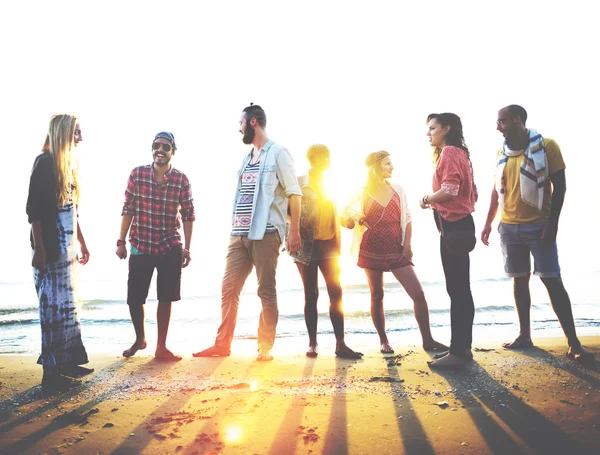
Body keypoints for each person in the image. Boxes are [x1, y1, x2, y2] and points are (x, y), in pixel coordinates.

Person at [481, 105, 592, 362]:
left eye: (502, 121)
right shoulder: (502, 151)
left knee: (552, 280)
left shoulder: (547, 146)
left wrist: (553, 224)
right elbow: (497, 189)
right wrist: (488, 222)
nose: (498, 127)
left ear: (518, 120)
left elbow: (560, 187)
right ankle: (525, 335)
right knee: (519, 280)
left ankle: (574, 343)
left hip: (539, 226)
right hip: (509, 227)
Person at [194, 104, 302, 362]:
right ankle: (222, 344)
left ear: (253, 122)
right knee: (228, 289)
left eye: (241, 123)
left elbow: (294, 193)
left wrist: (294, 231)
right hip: (238, 234)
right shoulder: (247, 157)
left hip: (265, 234)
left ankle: (265, 346)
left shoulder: (278, 153)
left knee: (266, 290)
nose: (238, 128)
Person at [340, 151, 447, 354]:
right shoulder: (361, 192)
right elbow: (344, 212)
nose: (392, 167)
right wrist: (355, 217)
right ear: (376, 167)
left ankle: (428, 339)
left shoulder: (399, 190)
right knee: (377, 294)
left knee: (418, 294)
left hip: (397, 248)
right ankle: (384, 341)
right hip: (371, 247)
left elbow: (407, 218)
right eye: (388, 164)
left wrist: (407, 245)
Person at [27, 114, 92, 391]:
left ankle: (67, 362)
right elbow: (35, 213)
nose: (80, 138)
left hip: (68, 251)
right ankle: (51, 375)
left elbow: (72, 211)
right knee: (51, 311)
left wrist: (83, 242)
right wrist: (40, 249)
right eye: (76, 133)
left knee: (67, 308)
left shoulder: (68, 165)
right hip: (50, 250)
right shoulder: (44, 163)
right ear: (64, 133)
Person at [116, 131, 195, 361]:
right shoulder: (137, 174)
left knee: (166, 296)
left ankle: (161, 347)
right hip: (141, 243)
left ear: (173, 151)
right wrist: (120, 241)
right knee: (134, 297)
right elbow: (127, 208)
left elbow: (189, 215)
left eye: (165, 146)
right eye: (156, 145)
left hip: (170, 244)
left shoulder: (181, 179)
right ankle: (140, 338)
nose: (160, 150)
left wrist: (187, 248)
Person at [292, 144, 363, 359]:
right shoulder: (299, 183)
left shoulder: (331, 183)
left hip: (330, 244)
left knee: (336, 291)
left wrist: (344, 220)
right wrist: (293, 230)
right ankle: (313, 343)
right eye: (326, 157)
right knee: (311, 293)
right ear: (313, 159)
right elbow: (287, 211)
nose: (329, 161)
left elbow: (333, 211)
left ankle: (340, 343)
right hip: (306, 245)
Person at [419, 113, 478, 368]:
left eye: (433, 128)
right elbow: (471, 193)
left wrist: (427, 198)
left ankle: (457, 353)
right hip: (458, 225)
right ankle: (463, 349)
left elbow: (450, 190)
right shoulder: (460, 153)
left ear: (446, 128)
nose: (428, 133)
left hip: (454, 227)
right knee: (461, 290)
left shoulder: (451, 152)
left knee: (457, 291)